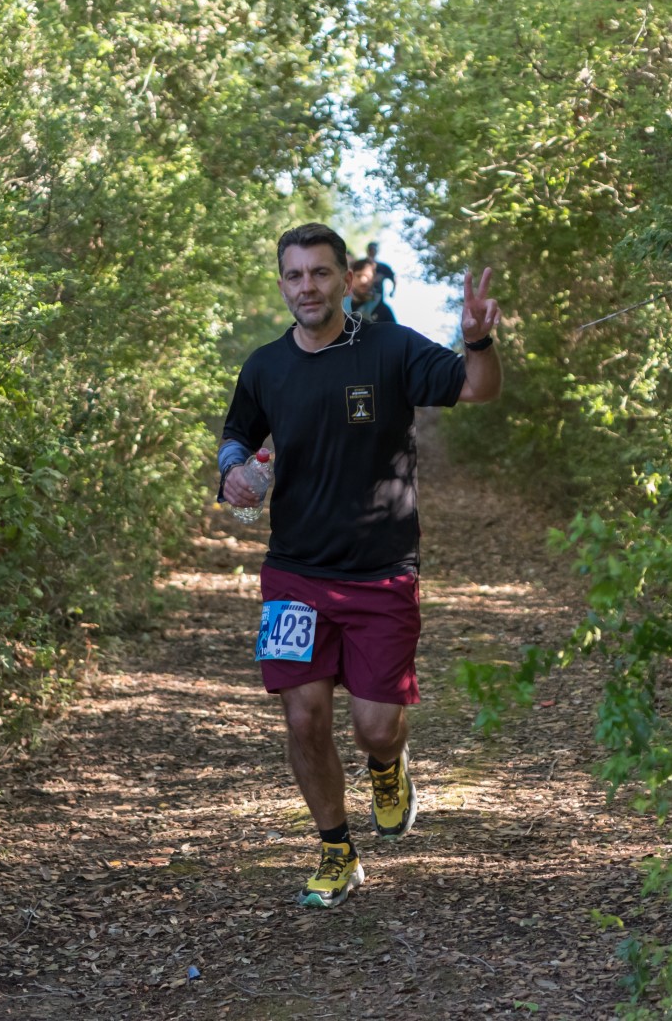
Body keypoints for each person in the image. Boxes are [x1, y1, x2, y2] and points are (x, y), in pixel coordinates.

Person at [217, 222, 501, 908]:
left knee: (375, 726)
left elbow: (477, 389)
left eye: (320, 273)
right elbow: (236, 435)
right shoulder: (265, 366)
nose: (307, 287)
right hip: (294, 572)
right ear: (282, 285)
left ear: (346, 280)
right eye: (295, 275)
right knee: (303, 718)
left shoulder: (390, 348)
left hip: (382, 571)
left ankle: (387, 764)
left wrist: (477, 340)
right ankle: (336, 850)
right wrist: (235, 473)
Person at [345, 258, 397, 324]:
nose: (363, 281)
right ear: (351, 277)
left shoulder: (383, 312)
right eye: (359, 276)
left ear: (374, 279)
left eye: (368, 277)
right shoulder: (338, 304)